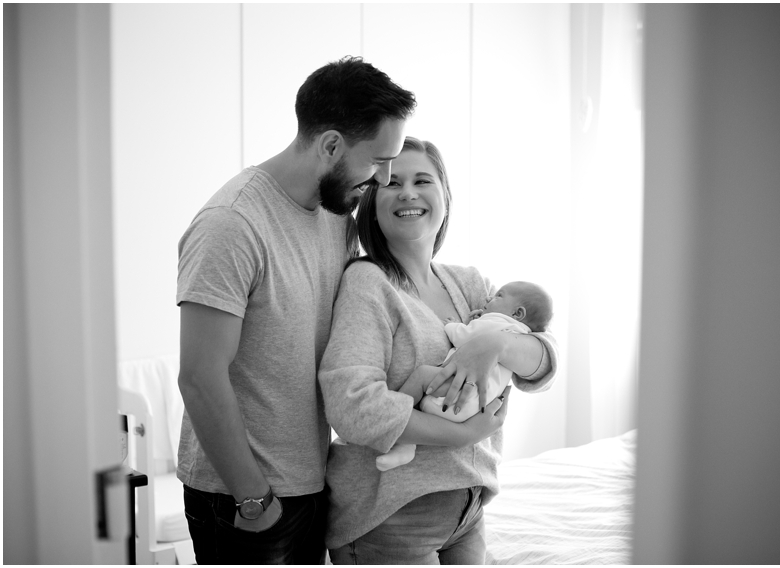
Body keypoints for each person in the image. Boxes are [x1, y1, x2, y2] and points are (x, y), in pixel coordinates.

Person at [175, 56, 416, 565]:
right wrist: (254, 499)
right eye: (378, 161)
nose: (385, 178)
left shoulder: (336, 214)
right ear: (330, 146)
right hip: (243, 496)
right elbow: (199, 377)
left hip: (310, 482)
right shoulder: (232, 224)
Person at [318, 136, 559, 564]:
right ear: (372, 203)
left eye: (422, 180)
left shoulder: (470, 285)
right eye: (392, 183)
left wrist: (495, 342)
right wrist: (464, 435)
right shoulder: (368, 283)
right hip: (392, 517)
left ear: (445, 195)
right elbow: (352, 406)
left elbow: (542, 364)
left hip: (468, 508)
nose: (408, 192)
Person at [375, 280, 554, 471]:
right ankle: (407, 442)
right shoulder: (520, 333)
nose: (488, 297)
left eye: (498, 296)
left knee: (422, 376)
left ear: (517, 313)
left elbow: (463, 336)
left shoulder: (496, 322)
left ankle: (401, 439)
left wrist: (452, 325)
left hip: (459, 395)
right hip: (475, 409)